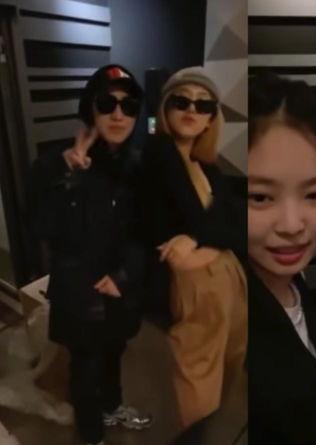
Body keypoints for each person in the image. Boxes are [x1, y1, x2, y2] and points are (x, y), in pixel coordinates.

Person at [30, 64, 151, 445]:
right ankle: (91, 434)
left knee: (115, 351)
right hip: (79, 291)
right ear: (90, 109)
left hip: (119, 288)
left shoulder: (137, 166)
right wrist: (68, 176)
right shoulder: (56, 163)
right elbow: (41, 227)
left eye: (129, 106)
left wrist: (124, 276)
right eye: (107, 103)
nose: (118, 114)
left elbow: (145, 233)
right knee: (85, 365)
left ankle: (112, 406)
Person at [247, 72, 316, 444]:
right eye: (260, 197)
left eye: (315, 195)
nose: (292, 226)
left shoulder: (293, 284)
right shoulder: (222, 313)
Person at [141, 66, 247, 437]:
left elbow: (236, 223)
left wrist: (200, 238)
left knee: (228, 361)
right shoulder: (158, 155)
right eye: (181, 101)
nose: (191, 110)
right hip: (193, 284)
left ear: (211, 118)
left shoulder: (205, 164)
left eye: (203, 105)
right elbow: (176, 223)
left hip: (226, 276)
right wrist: (207, 234)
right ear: (165, 107)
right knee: (196, 382)